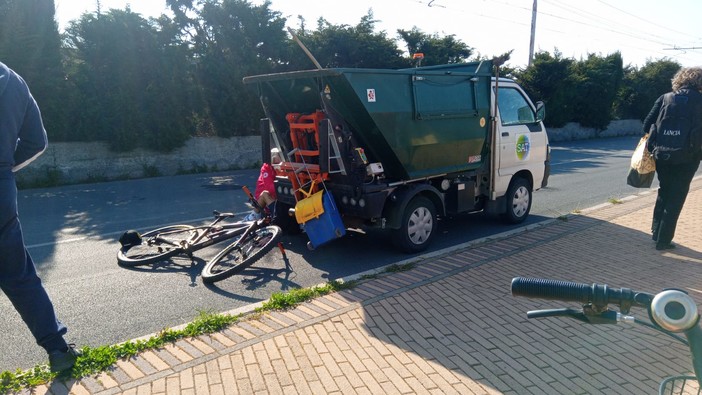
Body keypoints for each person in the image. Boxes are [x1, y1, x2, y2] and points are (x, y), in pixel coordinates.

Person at [0, 61, 79, 371]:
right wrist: (5, 167)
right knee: (19, 276)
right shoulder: (15, 81)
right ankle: (58, 350)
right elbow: (37, 142)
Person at [642, 66, 702, 250]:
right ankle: (664, 240)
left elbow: (646, 125)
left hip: (662, 153)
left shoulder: (665, 98)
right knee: (677, 195)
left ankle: (656, 232)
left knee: (664, 190)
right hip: (688, 156)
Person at [244, 149, 281, 221]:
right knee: (265, 194)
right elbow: (271, 189)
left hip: (276, 198)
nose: (278, 164)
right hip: (264, 199)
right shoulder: (266, 168)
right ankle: (254, 216)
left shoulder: (283, 167)